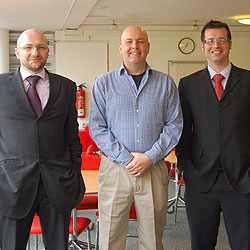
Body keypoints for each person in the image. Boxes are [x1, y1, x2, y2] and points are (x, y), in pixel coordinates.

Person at [89, 26, 183, 250]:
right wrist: (126, 158)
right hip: (115, 169)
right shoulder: (104, 83)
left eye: (140, 41)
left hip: (154, 167)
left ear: (148, 47)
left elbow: (174, 125)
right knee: (110, 236)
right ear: (120, 48)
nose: (135, 46)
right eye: (129, 42)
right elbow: (97, 127)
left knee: (153, 237)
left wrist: (150, 157)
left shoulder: (166, 83)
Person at [0, 29, 85, 250]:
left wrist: (74, 170)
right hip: (12, 186)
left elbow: (72, 136)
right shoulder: (0, 86)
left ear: (48, 51)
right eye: (28, 47)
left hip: (57, 184)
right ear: (17, 52)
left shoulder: (66, 87)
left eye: (40, 47)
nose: (34, 52)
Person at [176, 20, 250, 250]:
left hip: (242, 179)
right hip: (200, 179)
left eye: (221, 40)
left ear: (229, 44)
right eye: (210, 41)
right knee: (201, 244)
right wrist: (185, 166)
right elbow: (182, 130)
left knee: (244, 244)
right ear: (203, 46)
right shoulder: (188, 85)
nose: (215, 45)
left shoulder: (248, 81)